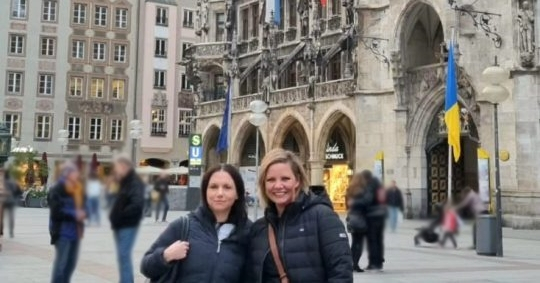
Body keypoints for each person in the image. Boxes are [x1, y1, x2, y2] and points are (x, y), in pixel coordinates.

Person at [246, 149, 353, 282]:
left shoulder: (323, 217)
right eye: (271, 180)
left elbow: (341, 274)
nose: (278, 185)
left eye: (285, 179)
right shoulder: (259, 228)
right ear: (263, 184)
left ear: (297, 180)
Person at [141, 164, 251, 282]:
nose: (220, 193)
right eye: (213, 187)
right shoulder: (183, 226)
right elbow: (146, 267)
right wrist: (166, 256)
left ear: (237, 194)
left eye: (227, 187)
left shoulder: (249, 232)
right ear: (205, 192)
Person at [109, 155, 145, 283]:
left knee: (124, 256)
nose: (116, 170)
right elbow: (118, 200)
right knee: (122, 257)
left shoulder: (134, 182)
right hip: (120, 224)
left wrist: (121, 214)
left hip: (128, 225)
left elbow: (137, 204)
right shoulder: (124, 181)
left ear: (124, 167)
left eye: (117, 168)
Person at [48, 162, 86, 283]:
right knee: (61, 266)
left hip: (76, 232)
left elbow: (84, 206)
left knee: (71, 264)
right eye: (75, 172)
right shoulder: (57, 189)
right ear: (68, 174)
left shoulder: (78, 188)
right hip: (62, 232)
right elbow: (56, 212)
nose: (77, 175)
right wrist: (75, 214)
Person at [351, 170, 386, 271]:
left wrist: (355, 203)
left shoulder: (370, 185)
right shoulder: (378, 184)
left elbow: (367, 200)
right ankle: (378, 261)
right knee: (378, 240)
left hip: (372, 216)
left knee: (372, 240)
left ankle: (374, 263)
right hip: (380, 215)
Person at [346, 172, 369, 273]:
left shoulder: (350, 191)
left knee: (354, 242)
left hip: (351, 219)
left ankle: (351, 263)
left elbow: (348, 205)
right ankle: (356, 264)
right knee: (359, 243)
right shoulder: (362, 192)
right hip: (360, 219)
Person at [1, 172, 22, 238]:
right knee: (11, 217)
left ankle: (1, 230)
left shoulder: (2, 182)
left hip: (3, 200)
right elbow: (18, 191)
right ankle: (11, 232)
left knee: (1, 217)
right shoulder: (14, 182)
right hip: (12, 201)